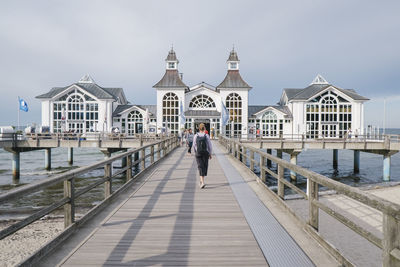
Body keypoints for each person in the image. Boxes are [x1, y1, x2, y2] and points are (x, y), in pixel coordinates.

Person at [193, 123, 212, 189]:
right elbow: (209, 145)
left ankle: (202, 182)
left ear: (198, 128)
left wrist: (196, 151)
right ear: (204, 128)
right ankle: (202, 182)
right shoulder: (206, 135)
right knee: (204, 166)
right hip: (205, 153)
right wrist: (210, 153)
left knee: (200, 166)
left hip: (198, 153)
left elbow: (194, 145)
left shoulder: (196, 135)